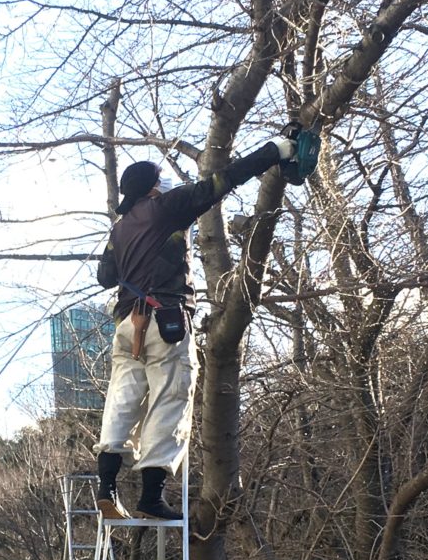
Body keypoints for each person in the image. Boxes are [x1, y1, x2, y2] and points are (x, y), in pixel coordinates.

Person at [94, 137, 303, 519]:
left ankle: (106, 486)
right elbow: (222, 181)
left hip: (127, 326)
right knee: (171, 398)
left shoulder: (120, 229)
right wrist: (275, 151)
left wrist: (129, 250)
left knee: (122, 400)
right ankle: (151, 496)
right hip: (164, 321)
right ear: (153, 188)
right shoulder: (166, 207)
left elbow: (105, 276)